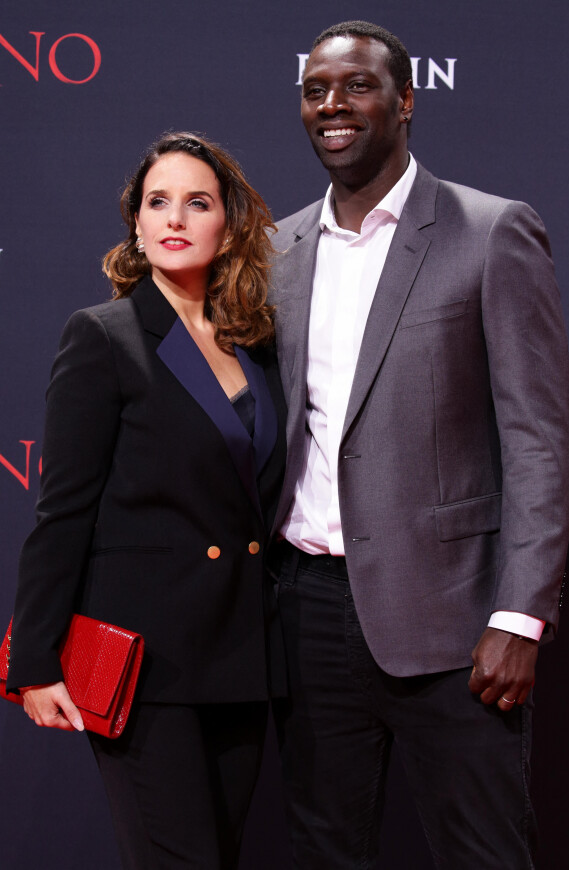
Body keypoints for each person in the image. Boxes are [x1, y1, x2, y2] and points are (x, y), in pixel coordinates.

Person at [269, 20, 569, 869]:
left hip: (457, 621)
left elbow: (539, 442)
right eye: (316, 90)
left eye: (357, 86)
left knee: (485, 853)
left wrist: (521, 616)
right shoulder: (277, 250)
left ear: (405, 102)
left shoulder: (490, 230)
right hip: (309, 615)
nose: (333, 105)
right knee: (326, 850)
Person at [6, 131, 286, 870]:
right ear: (135, 223)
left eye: (198, 202)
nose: (176, 218)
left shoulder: (256, 341)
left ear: (228, 223)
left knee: (220, 856)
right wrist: (33, 661)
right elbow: (62, 510)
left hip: (242, 656)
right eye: (158, 201)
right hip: (145, 664)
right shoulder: (104, 337)